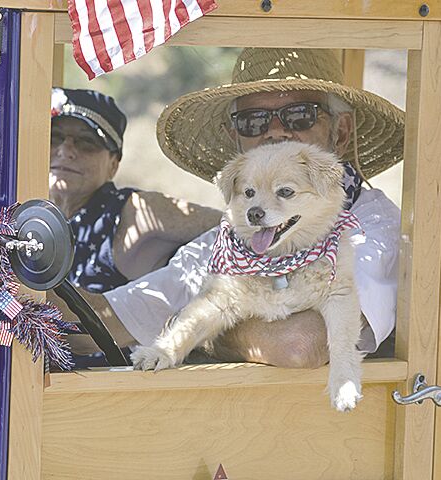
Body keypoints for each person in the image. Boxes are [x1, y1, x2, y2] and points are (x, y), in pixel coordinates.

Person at [56, 48, 404, 368]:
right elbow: (103, 324)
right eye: (254, 121)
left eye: (299, 116)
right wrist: (15, 279)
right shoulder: (229, 239)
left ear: (340, 133)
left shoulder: (370, 224)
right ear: (236, 139)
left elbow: (301, 344)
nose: (275, 132)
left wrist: (200, 332)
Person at [48, 88, 220, 293]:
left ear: (113, 165)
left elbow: (235, 228)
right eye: (54, 137)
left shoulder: (136, 210)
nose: (65, 151)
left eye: (86, 142)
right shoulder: (21, 210)